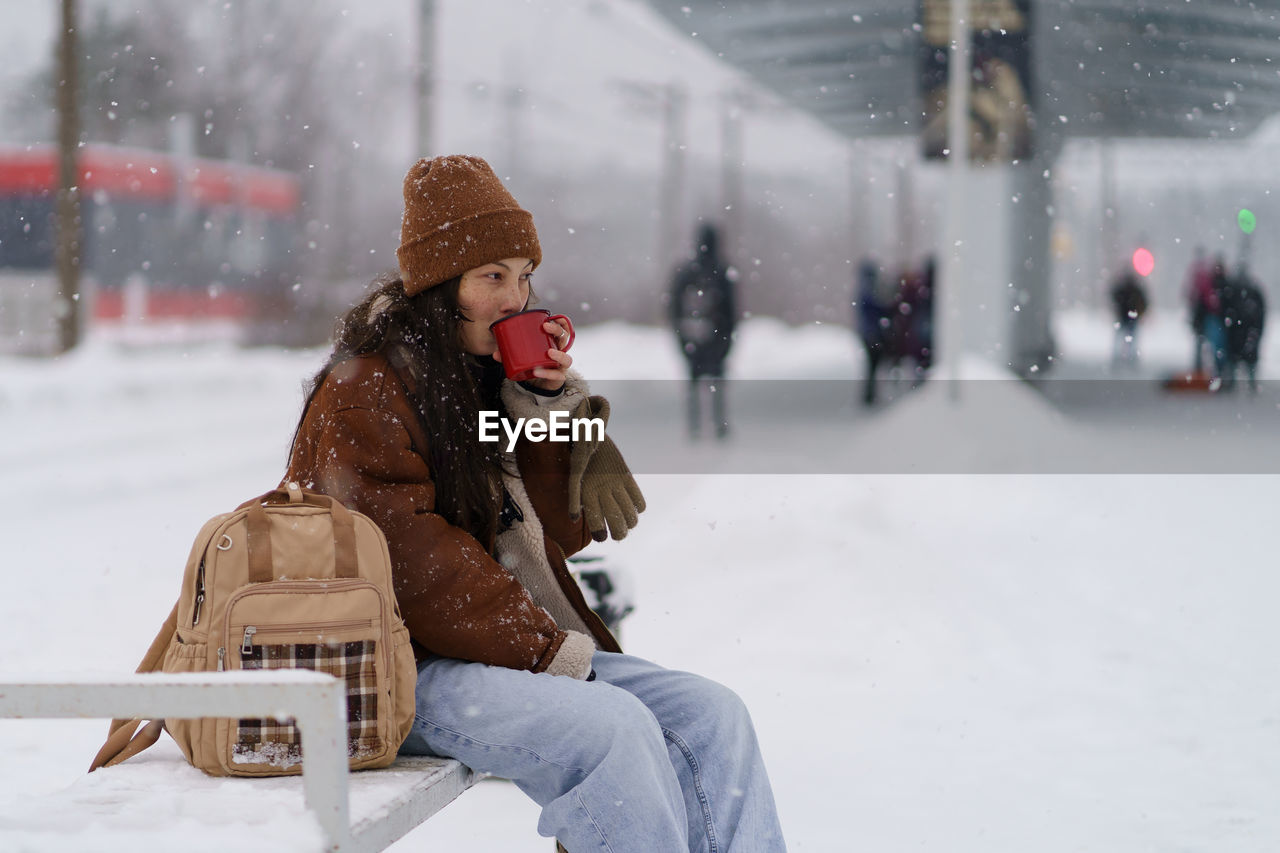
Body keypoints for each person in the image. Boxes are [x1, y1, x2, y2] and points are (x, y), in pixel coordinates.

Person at [284, 155, 785, 852]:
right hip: (397, 665)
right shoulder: (366, 388)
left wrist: (551, 410)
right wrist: (546, 649)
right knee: (611, 729)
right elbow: (414, 565)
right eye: (493, 276)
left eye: (524, 275)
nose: (516, 298)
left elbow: (559, 533)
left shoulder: (482, 378)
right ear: (438, 286)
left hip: (491, 651)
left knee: (712, 715)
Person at [669, 223, 737, 439]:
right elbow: (731, 310)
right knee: (717, 382)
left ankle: (694, 425)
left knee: (693, 382)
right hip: (716, 337)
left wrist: (681, 336)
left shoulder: (686, 272)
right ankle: (719, 423)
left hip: (693, 336)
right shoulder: (722, 272)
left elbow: (673, 308)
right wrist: (727, 340)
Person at [1219, 262, 1267, 392]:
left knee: (1240, 358)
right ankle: (1244, 383)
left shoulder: (1236, 291)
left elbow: (1260, 312)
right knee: (1242, 358)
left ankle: (1240, 383)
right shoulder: (1243, 291)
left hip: (1241, 330)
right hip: (1242, 331)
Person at [855, 258, 891, 405]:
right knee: (873, 366)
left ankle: (869, 395)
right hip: (872, 334)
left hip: (868, 334)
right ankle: (869, 396)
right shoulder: (869, 291)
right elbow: (875, 311)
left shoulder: (864, 290)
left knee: (872, 366)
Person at [1185, 247, 1219, 373]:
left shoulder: (1197, 272)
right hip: (1205, 315)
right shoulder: (1204, 273)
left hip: (1200, 315)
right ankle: (1205, 367)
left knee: (1200, 343)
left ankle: (1199, 367)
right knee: (1209, 343)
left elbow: (1189, 294)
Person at [1109, 269, 1149, 366]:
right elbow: (1143, 302)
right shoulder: (1134, 290)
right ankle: (1129, 357)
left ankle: (1123, 357)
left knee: (1124, 338)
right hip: (1130, 318)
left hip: (1126, 317)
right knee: (1130, 339)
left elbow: (1114, 297)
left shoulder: (1125, 290)